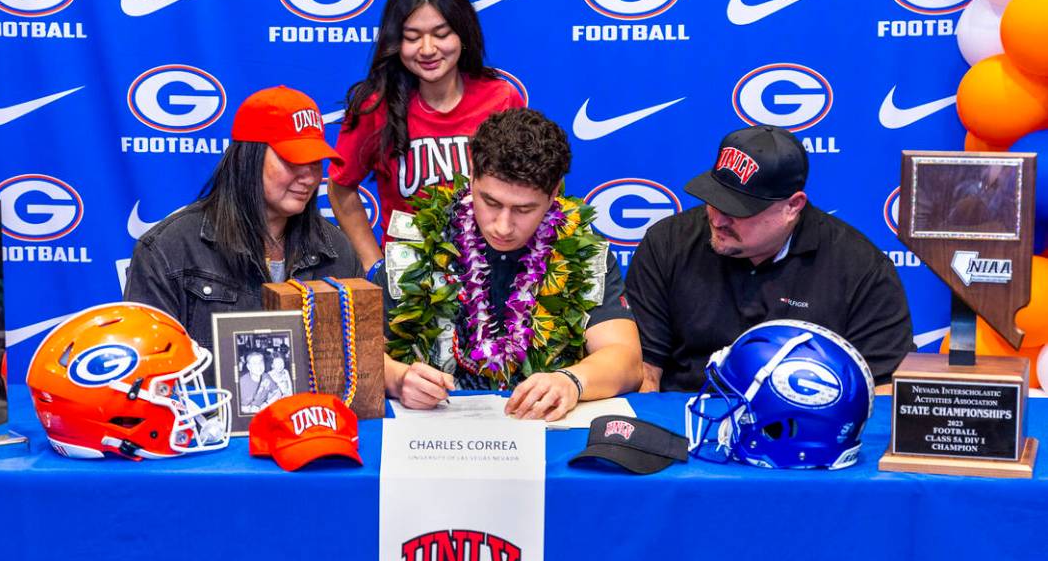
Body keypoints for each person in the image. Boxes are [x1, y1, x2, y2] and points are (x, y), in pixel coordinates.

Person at [380, 107, 642, 421]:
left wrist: (572, 381)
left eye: (524, 209)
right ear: (473, 175)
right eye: (490, 202)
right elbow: (359, 356)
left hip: (546, 434)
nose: (502, 226)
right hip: (433, 437)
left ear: (554, 193)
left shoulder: (582, 248)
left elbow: (626, 358)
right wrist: (397, 378)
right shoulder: (421, 241)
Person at [625, 124, 914, 392]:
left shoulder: (860, 268)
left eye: (737, 209)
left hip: (808, 430)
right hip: (686, 421)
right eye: (713, 199)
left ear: (793, 206)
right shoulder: (666, 244)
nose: (717, 219)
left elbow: (883, 388)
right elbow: (644, 371)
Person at [124, 86, 362, 353]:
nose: (309, 177)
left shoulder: (337, 250)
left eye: (316, 162)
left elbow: (363, 356)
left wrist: (399, 378)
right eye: (294, 160)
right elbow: (146, 367)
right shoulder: (168, 250)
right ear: (249, 158)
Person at [328, 0, 526, 270]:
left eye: (441, 33)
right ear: (395, 41)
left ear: (463, 33)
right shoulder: (374, 106)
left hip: (487, 274)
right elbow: (341, 187)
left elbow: (526, 187)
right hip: (410, 285)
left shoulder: (500, 98)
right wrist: (374, 265)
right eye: (412, 37)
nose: (428, 49)